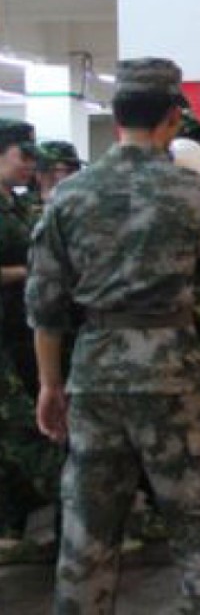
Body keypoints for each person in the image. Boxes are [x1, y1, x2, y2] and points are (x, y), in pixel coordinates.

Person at [26, 57, 200, 614]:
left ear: (116, 115)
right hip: (176, 374)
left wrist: (50, 387)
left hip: (95, 374)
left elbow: (45, 305)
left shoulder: (69, 196)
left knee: (87, 533)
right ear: (173, 117)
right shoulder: (194, 194)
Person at [0, 119, 62, 567]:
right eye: (23, 156)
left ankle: (11, 528)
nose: (30, 166)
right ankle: (77, 518)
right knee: (24, 431)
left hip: (18, 334)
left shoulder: (16, 206)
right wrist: (31, 273)